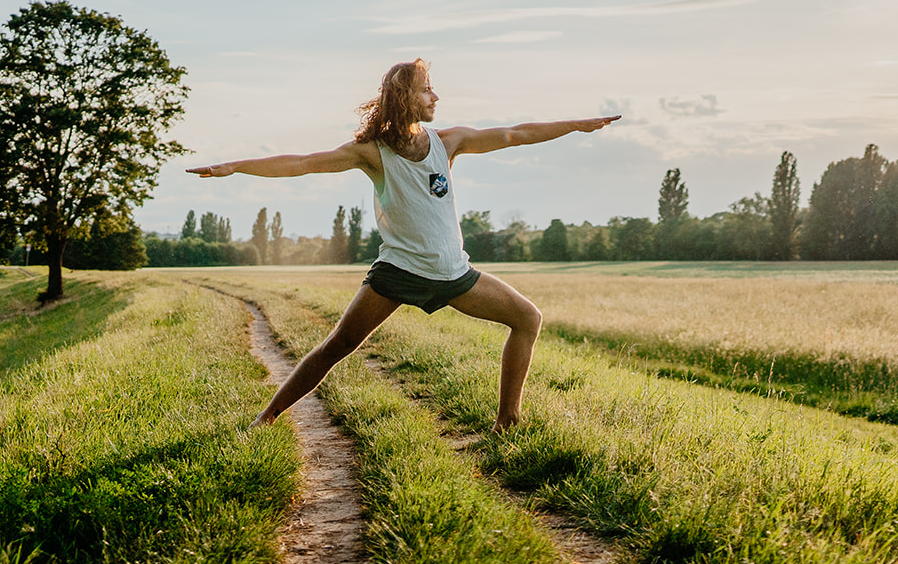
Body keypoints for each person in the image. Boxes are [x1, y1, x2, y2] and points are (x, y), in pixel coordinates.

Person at [188, 59, 619, 431]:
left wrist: (576, 125)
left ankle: (508, 420)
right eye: (427, 89)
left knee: (527, 318)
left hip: (454, 274)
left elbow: (514, 134)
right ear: (405, 97)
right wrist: (236, 167)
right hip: (398, 274)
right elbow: (303, 164)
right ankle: (266, 418)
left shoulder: (448, 142)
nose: (436, 96)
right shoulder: (372, 152)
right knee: (337, 346)